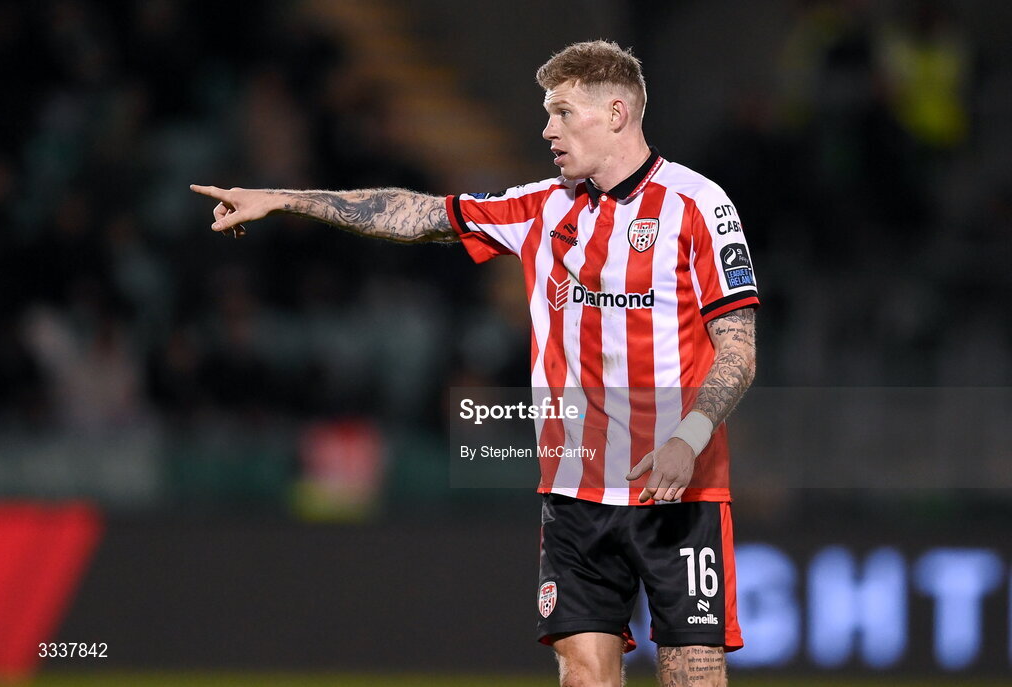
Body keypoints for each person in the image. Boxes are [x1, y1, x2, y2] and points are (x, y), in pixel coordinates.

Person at [192, 40, 757, 687]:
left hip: (678, 488)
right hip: (574, 492)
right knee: (582, 671)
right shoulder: (542, 206)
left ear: (619, 113)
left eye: (564, 113)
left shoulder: (698, 206)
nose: (547, 129)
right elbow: (418, 214)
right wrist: (287, 198)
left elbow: (738, 347)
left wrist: (688, 438)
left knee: (693, 674)